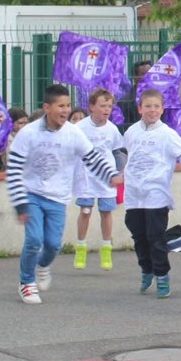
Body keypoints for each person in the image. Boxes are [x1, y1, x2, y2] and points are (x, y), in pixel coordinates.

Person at [6, 84, 122, 305]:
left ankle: (42, 265)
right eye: (61, 106)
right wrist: (20, 205)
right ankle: (26, 283)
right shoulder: (28, 133)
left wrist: (110, 175)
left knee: (52, 245)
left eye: (68, 105)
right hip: (31, 194)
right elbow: (13, 169)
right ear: (47, 107)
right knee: (34, 240)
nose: (65, 110)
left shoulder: (73, 132)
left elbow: (93, 158)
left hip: (58, 197)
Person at [122, 88, 181, 298]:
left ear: (162, 109)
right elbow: (125, 156)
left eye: (156, 107)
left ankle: (162, 275)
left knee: (155, 237)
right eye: (148, 106)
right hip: (134, 194)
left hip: (156, 193)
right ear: (140, 108)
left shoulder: (168, 134)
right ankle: (146, 269)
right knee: (139, 236)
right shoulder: (131, 131)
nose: (152, 110)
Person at [72, 88, 125, 272]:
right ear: (91, 107)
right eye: (103, 105)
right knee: (86, 211)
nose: (106, 109)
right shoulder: (80, 128)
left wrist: (120, 172)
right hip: (86, 176)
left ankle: (106, 248)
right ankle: (81, 247)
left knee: (106, 212)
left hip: (106, 177)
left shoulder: (112, 129)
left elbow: (118, 151)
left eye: (109, 106)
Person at [118, 60, 153, 132]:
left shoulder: (161, 98)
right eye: (143, 74)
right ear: (135, 77)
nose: (147, 77)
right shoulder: (125, 101)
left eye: (149, 74)